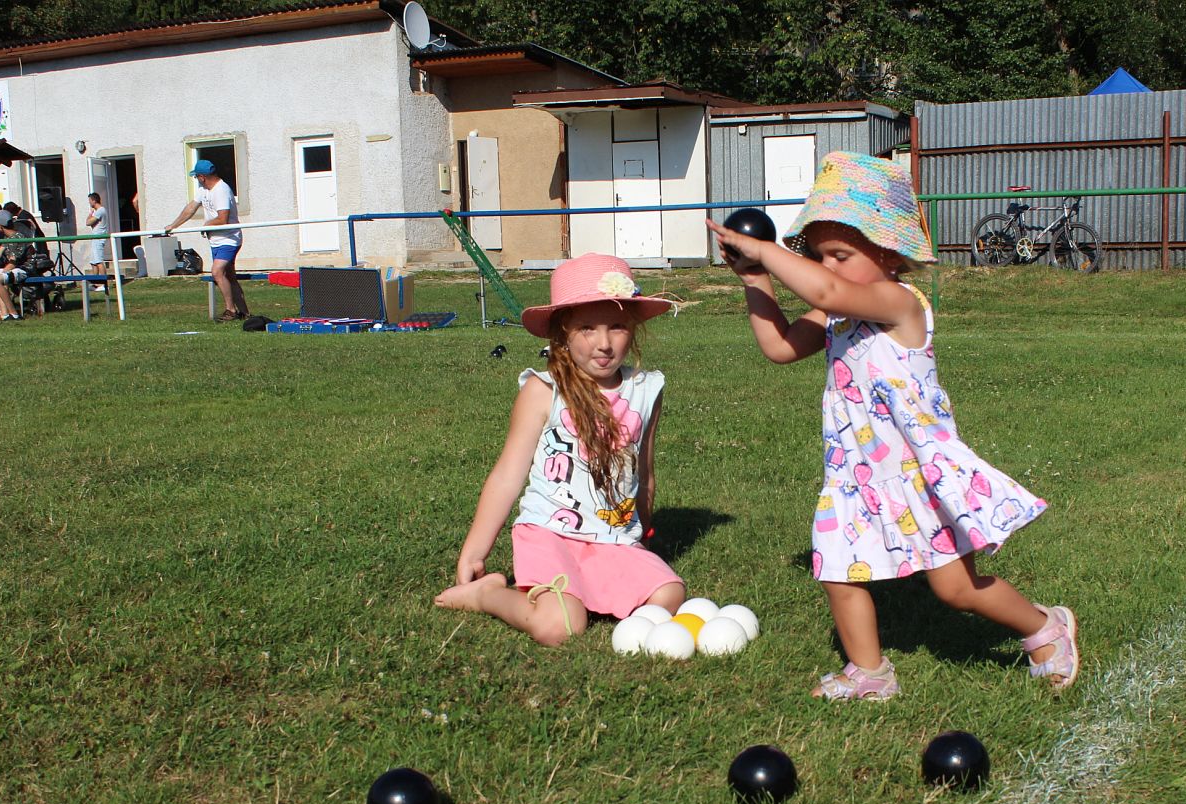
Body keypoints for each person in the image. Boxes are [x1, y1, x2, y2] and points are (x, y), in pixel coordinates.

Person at [707, 151, 1078, 700]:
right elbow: (780, 347)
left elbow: (826, 290)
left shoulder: (898, 301)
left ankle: (1046, 627)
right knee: (838, 571)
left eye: (840, 254)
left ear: (887, 252)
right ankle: (870, 672)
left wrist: (765, 248)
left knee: (956, 589)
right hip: (855, 471)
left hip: (916, 473)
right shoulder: (836, 314)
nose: (827, 267)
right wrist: (754, 278)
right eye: (818, 255)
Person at [434, 253, 686, 645]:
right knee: (560, 627)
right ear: (562, 334)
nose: (604, 343)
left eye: (617, 326)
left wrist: (642, 537)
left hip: (613, 538)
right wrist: (474, 552)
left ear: (633, 329)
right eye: (587, 328)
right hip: (551, 533)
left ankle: (594, 589)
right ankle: (487, 595)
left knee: (670, 593)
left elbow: (644, 472)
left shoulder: (646, 389)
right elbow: (507, 477)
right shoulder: (544, 390)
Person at [163, 160, 247, 321]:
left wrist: (206, 225)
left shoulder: (221, 190)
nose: (197, 180)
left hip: (229, 239)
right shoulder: (204, 190)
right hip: (216, 240)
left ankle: (231, 310)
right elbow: (190, 209)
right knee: (229, 276)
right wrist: (173, 225)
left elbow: (223, 218)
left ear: (202, 177)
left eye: (196, 177)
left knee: (217, 271)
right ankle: (245, 312)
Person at [84, 192, 110, 287]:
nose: (89, 203)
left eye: (90, 201)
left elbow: (88, 223)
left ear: (94, 201)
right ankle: (95, 283)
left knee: (99, 261)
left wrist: (90, 214)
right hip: (94, 239)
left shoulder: (100, 210)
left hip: (98, 239)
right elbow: (88, 222)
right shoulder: (97, 211)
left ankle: (104, 284)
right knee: (93, 262)